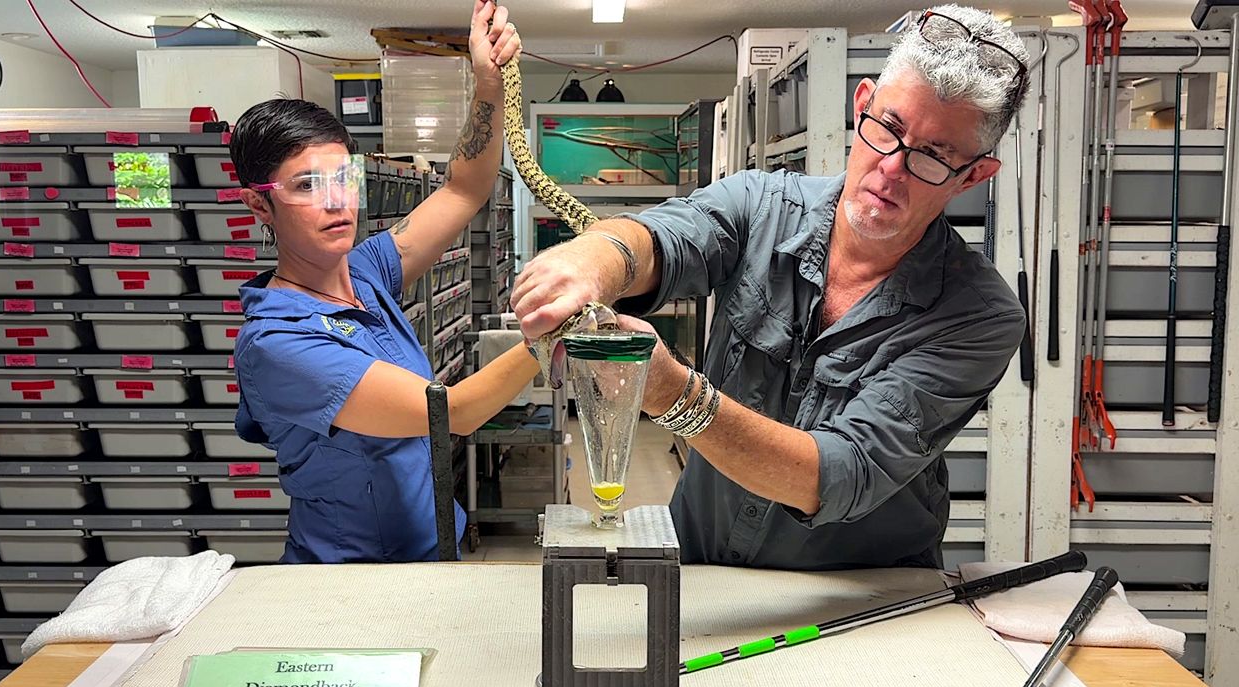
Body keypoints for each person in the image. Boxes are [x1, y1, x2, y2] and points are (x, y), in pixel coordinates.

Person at [511, 5, 1028, 571]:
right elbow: (667, 238)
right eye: (889, 130)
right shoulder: (763, 203)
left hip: (858, 595)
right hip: (703, 566)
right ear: (861, 107)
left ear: (974, 175)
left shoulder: (979, 317)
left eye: (933, 156)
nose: (891, 170)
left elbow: (843, 470)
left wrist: (672, 394)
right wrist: (592, 259)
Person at [230, 0, 539, 563]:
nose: (335, 200)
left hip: (431, 554)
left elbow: (463, 190)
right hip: (353, 579)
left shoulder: (368, 272)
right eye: (305, 186)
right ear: (259, 205)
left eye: (343, 177)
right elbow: (456, 412)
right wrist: (553, 332)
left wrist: (488, 88)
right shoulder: (277, 345)